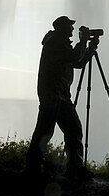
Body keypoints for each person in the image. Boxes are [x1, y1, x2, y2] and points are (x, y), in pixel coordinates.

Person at [25, 15, 98, 180]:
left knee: (67, 131)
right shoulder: (55, 44)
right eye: (70, 27)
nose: (73, 29)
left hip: (59, 96)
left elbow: (77, 62)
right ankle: (35, 170)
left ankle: (71, 168)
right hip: (54, 96)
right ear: (62, 28)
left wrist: (90, 48)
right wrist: (83, 41)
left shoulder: (60, 44)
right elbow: (74, 58)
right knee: (49, 132)